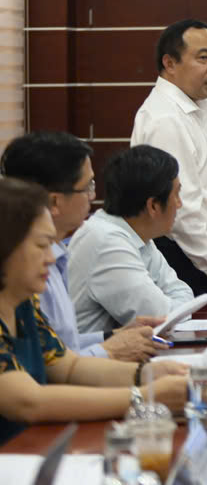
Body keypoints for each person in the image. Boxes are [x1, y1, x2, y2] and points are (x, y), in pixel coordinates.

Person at [0, 178, 188, 446]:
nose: (51, 258)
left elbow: (69, 367)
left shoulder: (23, 305)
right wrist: (144, 396)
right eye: (42, 245)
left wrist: (146, 374)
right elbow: (29, 402)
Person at [0, 132, 162, 363]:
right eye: (87, 187)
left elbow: (60, 346)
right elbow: (48, 367)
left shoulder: (55, 252)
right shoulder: (23, 270)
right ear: (54, 202)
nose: (93, 196)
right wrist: (110, 351)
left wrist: (112, 336)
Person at [130, 19, 207, 296]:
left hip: (199, 254)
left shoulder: (191, 110)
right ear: (170, 64)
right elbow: (182, 212)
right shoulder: (166, 119)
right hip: (181, 257)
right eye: (203, 58)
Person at [67, 146, 194, 333]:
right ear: (153, 206)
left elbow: (182, 292)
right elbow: (161, 317)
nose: (180, 204)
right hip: (90, 351)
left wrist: (178, 308)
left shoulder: (135, 233)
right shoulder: (107, 242)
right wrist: (177, 308)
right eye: (176, 194)